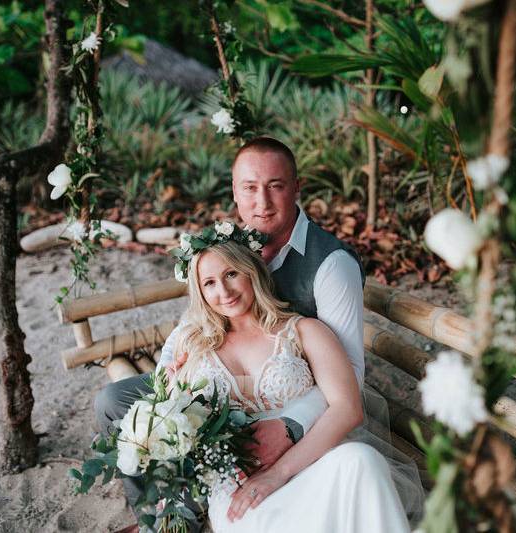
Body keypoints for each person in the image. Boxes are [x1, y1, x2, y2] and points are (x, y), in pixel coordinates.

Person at [94, 137, 420, 530]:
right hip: (224, 388)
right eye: (250, 188)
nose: (261, 202)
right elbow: (193, 320)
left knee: (356, 465)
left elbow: (350, 377)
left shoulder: (330, 266)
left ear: (296, 187)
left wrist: (289, 427)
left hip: (298, 393)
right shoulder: (230, 243)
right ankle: (167, 520)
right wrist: (171, 377)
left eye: (276, 186)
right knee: (115, 401)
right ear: (235, 192)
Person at [166, 230, 411, 532]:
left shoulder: (305, 332)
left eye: (231, 273)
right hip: (240, 485)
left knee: (361, 460)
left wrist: (279, 471)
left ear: (252, 271)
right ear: (200, 292)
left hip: (312, 459)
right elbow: (178, 427)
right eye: (210, 283)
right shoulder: (192, 345)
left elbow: (348, 409)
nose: (224, 291)